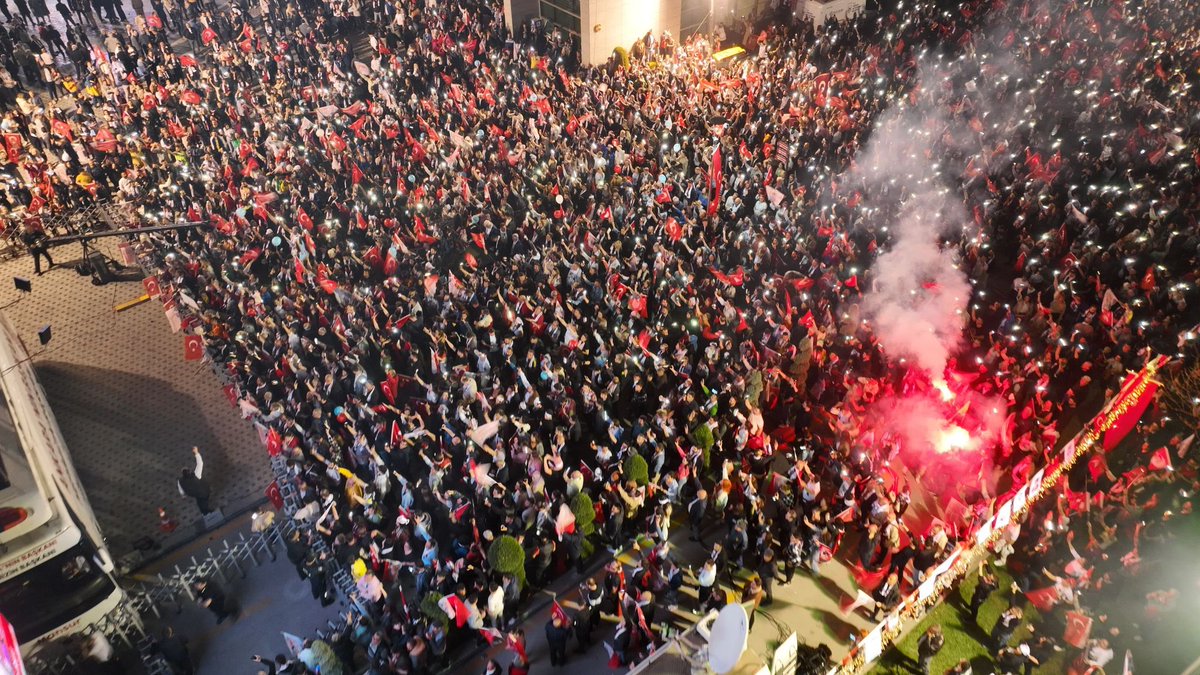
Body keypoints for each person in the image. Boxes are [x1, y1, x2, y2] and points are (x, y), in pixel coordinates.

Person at [177, 446, 213, 515]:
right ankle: (207, 511)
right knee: (204, 501)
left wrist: (183, 495)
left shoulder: (180, 481)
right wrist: (196, 453)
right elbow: (200, 463)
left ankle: (203, 511)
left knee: (200, 502)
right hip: (203, 492)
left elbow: (180, 489)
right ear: (189, 471)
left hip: (195, 494)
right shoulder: (196, 474)